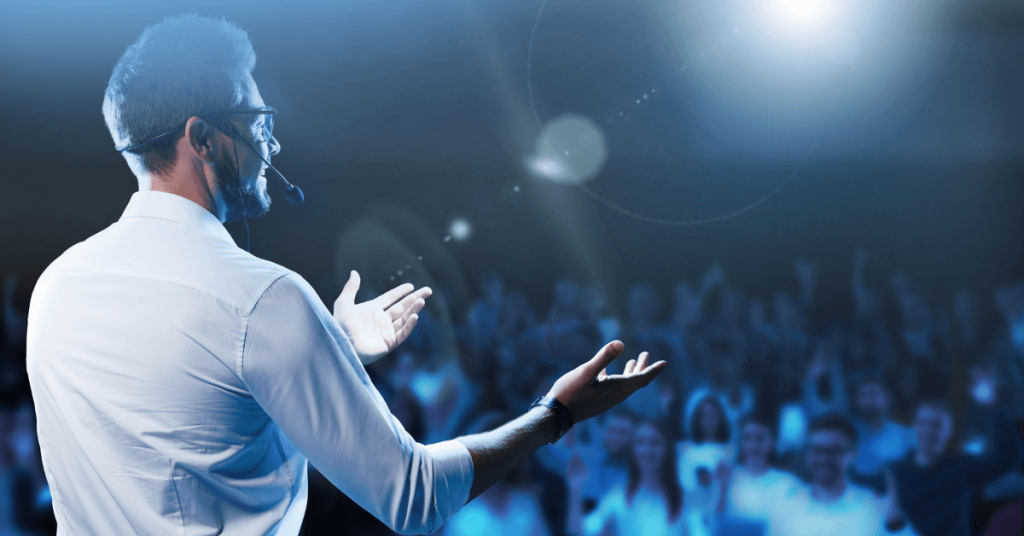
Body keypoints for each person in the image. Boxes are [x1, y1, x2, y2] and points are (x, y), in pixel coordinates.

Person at [25, 15, 667, 535]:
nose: (271, 146)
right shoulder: (262, 300)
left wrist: (328, 341)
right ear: (204, 137)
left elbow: (193, 427)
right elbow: (413, 499)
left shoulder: (53, 286)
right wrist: (557, 413)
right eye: (257, 121)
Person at [890, 384, 1023, 536]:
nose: (928, 431)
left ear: (949, 431)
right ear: (913, 426)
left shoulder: (960, 468)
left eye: (937, 425)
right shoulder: (894, 472)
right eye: (922, 423)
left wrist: (993, 407)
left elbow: (1009, 457)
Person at [766, 414, 912, 536]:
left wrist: (895, 522)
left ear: (851, 455)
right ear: (808, 454)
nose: (823, 458)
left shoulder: (874, 508)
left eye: (833, 450)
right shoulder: (785, 509)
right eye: (817, 450)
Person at [568, 420, 686, 536]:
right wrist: (575, 488)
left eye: (655, 442)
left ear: (667, 449)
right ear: (633, 450)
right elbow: (581, 531)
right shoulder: (618, 497)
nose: (647, 450)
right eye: (640, 442)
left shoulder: (684, 497)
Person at [714, 414, 802, 531]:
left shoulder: (788, 483)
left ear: (771, 442)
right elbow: (716, 524)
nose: (753, 445)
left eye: (760, 438)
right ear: (741, 443)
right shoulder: (727, 478)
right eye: (747, 438)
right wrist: (722, 489)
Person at [678, 394, 735, 536]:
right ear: (696, 420)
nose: (707, 420)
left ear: (720, 418)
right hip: (690, 520)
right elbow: (684, 491)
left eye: (712, 414)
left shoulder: (731, 451)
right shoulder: (685, 451)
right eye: (702, 415)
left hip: (722, 519)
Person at [849, 377, 915, 492]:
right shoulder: (846, 435)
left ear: (887, 399)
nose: (868, 400)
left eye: (873, 394)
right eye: (863, 395)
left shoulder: (907, 435)